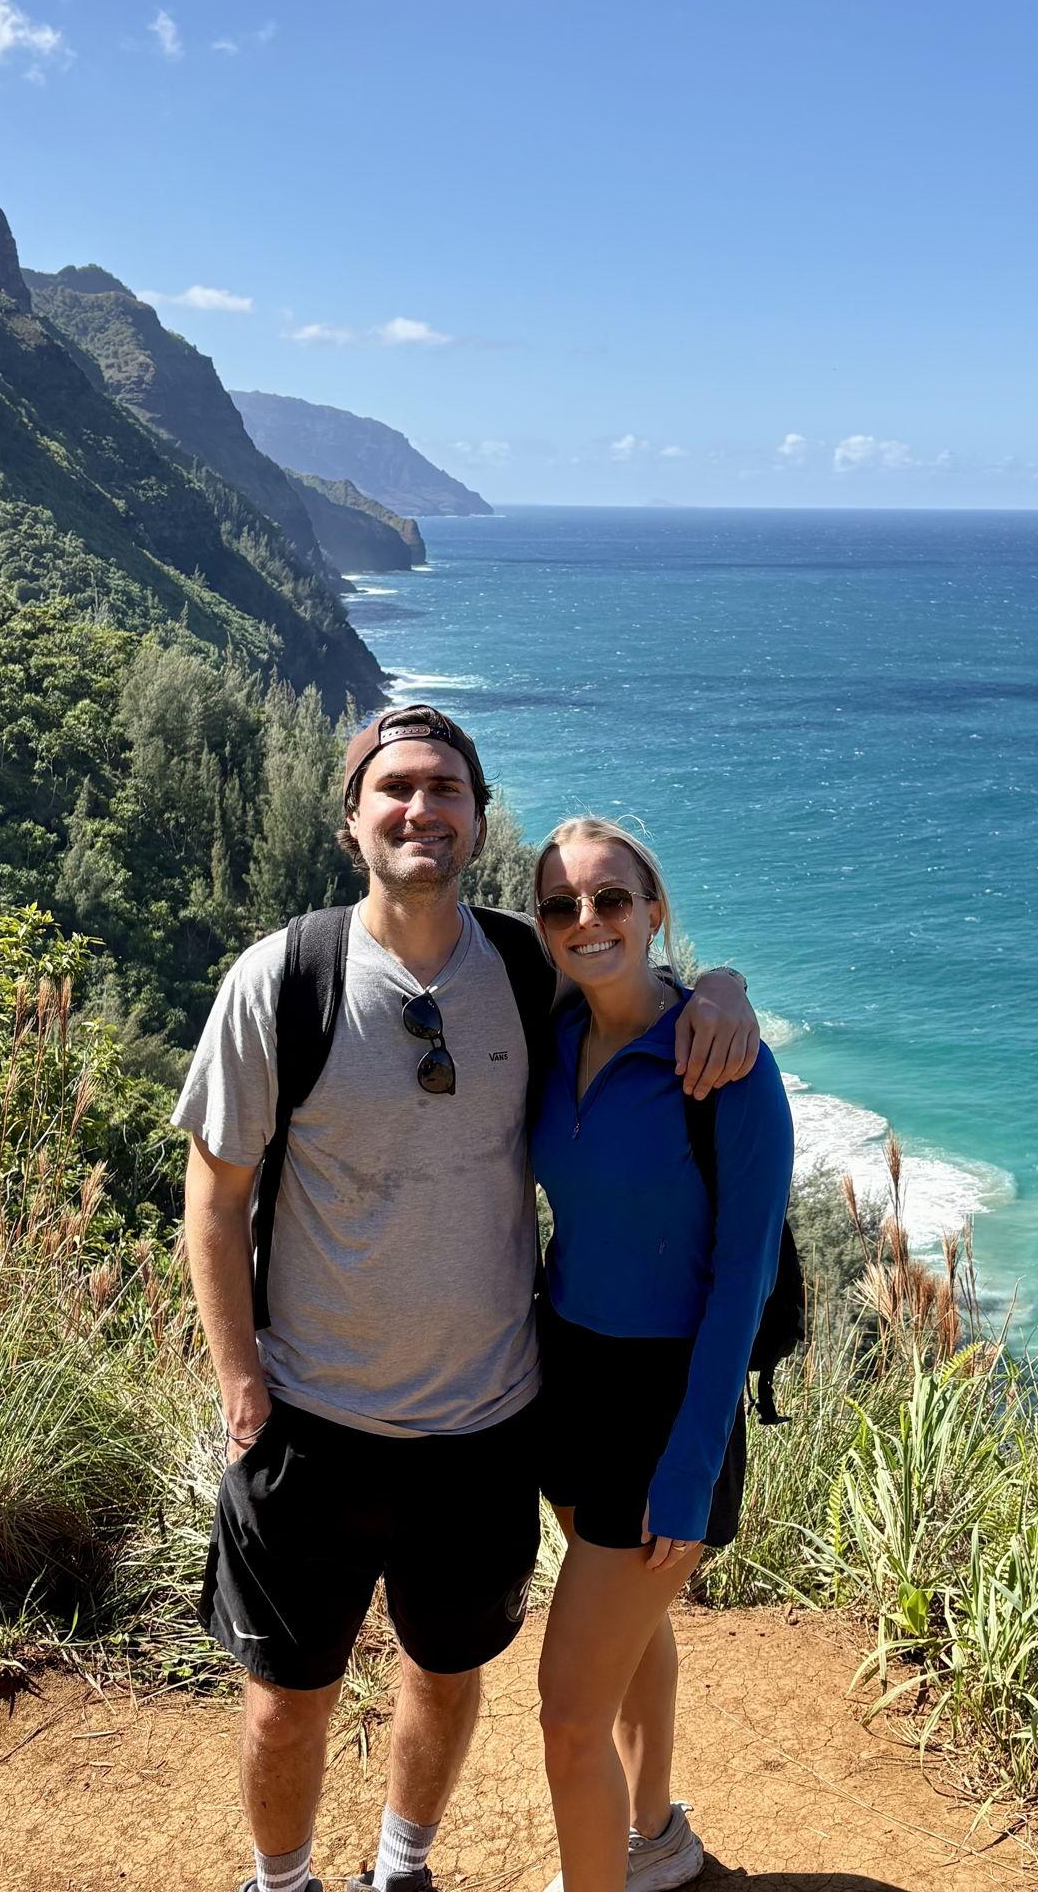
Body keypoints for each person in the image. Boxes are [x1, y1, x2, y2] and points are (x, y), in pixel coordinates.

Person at [174, 705, 761, 1892]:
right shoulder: (282, 978)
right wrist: (238, 1377)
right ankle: (281, 1882)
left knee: (445, 1673)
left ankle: (403, 1870)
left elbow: (632, 992)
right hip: (312, 1416)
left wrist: (722, 985)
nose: (419, 807)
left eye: (445, 787)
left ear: (477, 822)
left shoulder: (526, 971)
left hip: (487, 1423)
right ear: (351, 821)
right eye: (393, 786)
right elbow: (215, 1194)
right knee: (285, 1700)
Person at [528, 817, 793, 1892]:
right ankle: (655, 1836)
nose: (586, 919)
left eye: (611, 898)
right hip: (567, 1376)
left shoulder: (725, 1066)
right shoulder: (552, 1034)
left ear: (653, 911)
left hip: (667, 1398)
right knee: (629, 1633)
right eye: (561, 904)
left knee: (565, 1713)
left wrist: (691, 1467)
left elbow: (744, 1281)